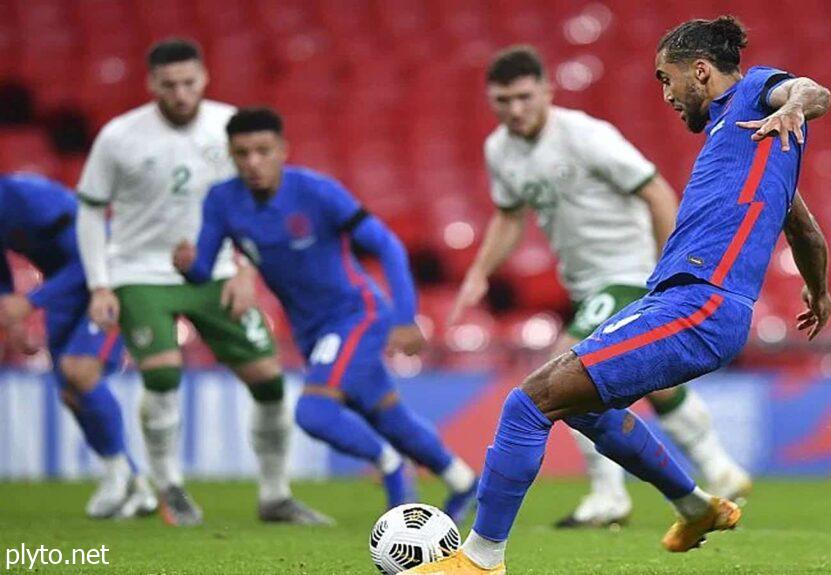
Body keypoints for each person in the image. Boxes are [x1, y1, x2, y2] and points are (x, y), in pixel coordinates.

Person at [404, 15, 831, 574]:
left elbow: (810, 90)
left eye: (667, 79)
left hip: (699, 303)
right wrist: (818, 292)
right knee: (584, 410)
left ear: (700, 72)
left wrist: (795, 103)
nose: (666, 94)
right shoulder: (748, 141)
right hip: (682, 301)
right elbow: (803, 229)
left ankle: (481, 561)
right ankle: (695, 506)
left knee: (527, 402)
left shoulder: (756, 96)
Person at [449, 45, 752, 529]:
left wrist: (670, 272)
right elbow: (509, 217)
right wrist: (480, 272)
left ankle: (608, 496)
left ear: (547, 91)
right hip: (586, 284)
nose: (515, 110)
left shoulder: (586, 135)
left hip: (629, 271)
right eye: (503, 100)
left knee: (567, 368)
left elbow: (655, 191)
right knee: (643, 382)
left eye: (525, 97)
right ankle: (719, 468)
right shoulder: (498, 151)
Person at [172, 107, 479, 521]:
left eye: (263, 151)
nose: (253, 163)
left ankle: (389, 466)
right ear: (230, 153)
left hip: (356, 314)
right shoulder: (223, 201)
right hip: (310, 330)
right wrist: (187, 264)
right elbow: (202, 271)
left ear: (283, 150)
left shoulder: (317, 193)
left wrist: (406, 317)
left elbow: (387, 245)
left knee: (314, 413)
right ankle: (463, 482)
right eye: (242, 153)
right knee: (387, 415)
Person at [75, 38, 328, 526]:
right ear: (151, 84)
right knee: (164, 374)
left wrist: (245, 269)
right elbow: (89, 208)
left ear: (204, 78)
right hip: (140, 271)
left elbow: (253, 202)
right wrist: (100, 284)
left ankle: (275, 495)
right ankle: (170, 485)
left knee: (270, 382)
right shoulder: (119, 136)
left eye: (188, 82)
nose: (180, 93)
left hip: (216, 272)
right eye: (168, 85)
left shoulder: (228, 126)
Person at [0, 173, 155, 519]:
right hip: (67, 291)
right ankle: (132, 483)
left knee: (80, 371)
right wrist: (11, 315)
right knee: (70, 392)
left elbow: (91, 254)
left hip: (110, 279)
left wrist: (32, 301)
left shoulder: (31, 199)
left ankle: (122, 478)